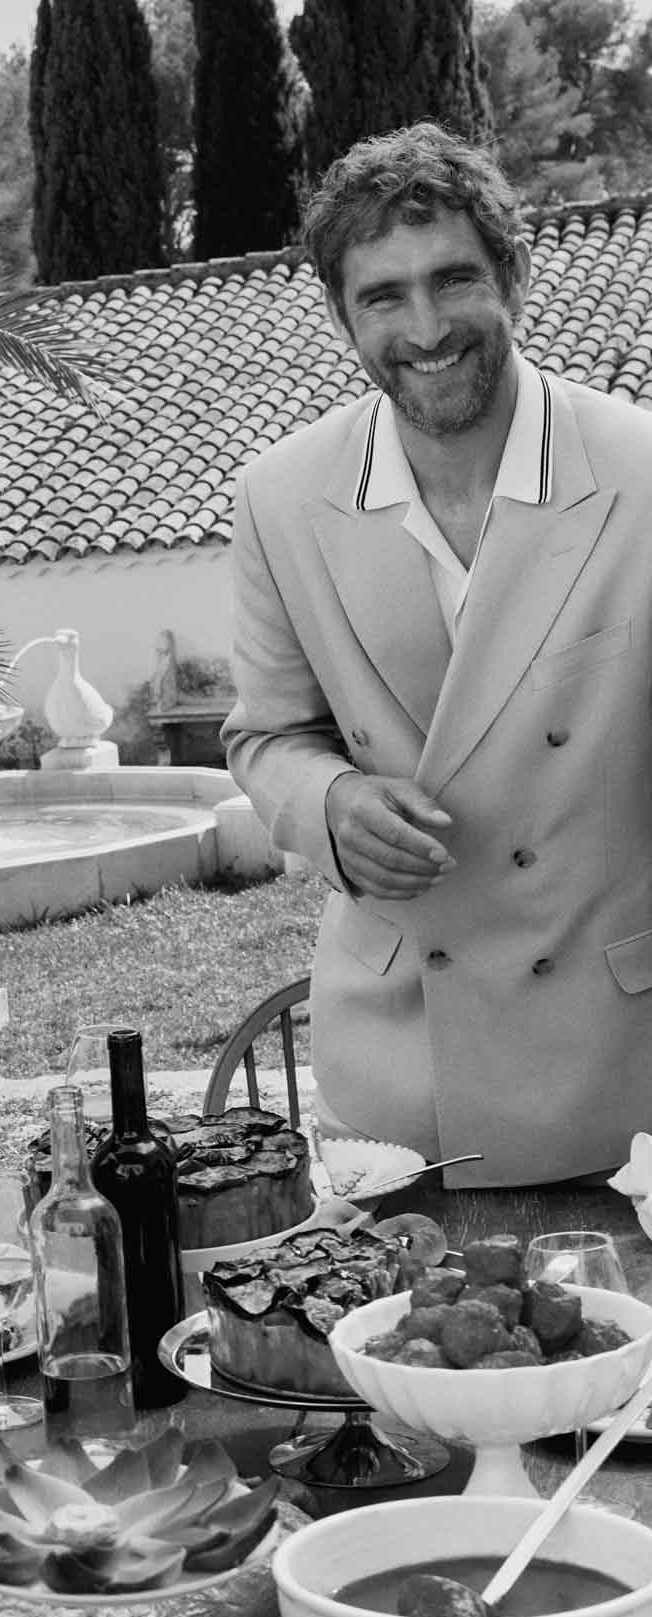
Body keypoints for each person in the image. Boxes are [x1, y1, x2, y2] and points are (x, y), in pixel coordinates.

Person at [222, 122, 652, 1188]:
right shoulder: (278, 497)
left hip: (620, 1066)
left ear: (513, 277)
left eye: (454, 279)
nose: (425, 328)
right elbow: (268, 735)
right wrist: (326, 804)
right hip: (398, 1068)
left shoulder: (643, 474)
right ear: (341, 315)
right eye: (383, 296)